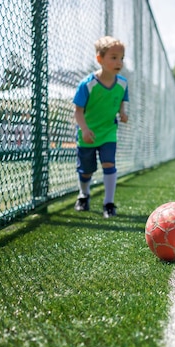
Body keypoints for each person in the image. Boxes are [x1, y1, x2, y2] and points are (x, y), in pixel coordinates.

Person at [73, 36, 129, 218]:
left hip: (108, 133)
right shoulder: (87, 85)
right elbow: (78, 111)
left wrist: (122, 112)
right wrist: (84, 129)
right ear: (100, 59)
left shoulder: (122, 83)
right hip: (88, 134)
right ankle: (84, 194)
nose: (118, 62)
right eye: (113, 57)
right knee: (86, 171)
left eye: (121, 58)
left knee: (109, 163)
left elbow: (121, 101)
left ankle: (109, 204)